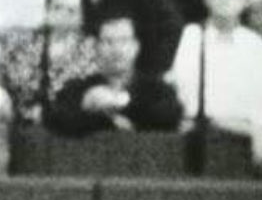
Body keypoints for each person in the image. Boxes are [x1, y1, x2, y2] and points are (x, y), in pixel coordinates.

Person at [168, 0, 262, 156]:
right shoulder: (188, 38)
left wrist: (255, 131)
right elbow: (183, 99)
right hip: (195, 144)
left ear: (246, 1)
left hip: (246, 146)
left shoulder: (257, 47)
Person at [45, 9, 182, 135]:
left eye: (124, 41)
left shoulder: (158, 90)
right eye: (108, 42)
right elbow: (55, 119)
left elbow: (169, 116)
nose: (116, 50)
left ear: (136, 46)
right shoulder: (78, 89)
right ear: (96, 47)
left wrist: (120, 101)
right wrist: (95, 112)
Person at [0, 0, 97, 122]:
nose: (62, 14)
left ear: (82, 18)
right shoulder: (21, 45)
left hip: (70, 129)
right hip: (20, 127)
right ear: (47, 8)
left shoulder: (92, 51)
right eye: (57, 7)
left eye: (71, 11)